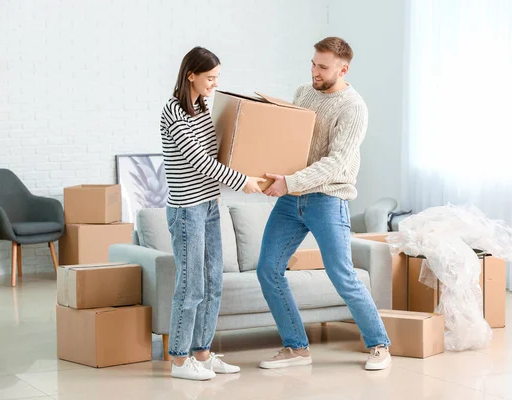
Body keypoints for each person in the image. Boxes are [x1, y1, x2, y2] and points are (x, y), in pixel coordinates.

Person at [257, 37, 392, 371]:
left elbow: (335, 163)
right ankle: (296, 347)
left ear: (343, 69)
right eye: (313, 63)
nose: (315, 71)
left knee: (342, 275)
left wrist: (290, 182)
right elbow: (292, 142)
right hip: (291, 200)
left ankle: (379, 345)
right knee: (268, 270)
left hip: (328, 199)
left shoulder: (353, 107)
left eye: (323, 67)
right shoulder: (304, 93)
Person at [160, 46, 265, 381]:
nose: (214, 84)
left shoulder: (203, 108)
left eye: (217, 77)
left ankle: (202, 354)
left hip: (208, 206)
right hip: (187, 210)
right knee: (191, 286)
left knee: (213, 282)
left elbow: (218, 152)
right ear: (191, 74)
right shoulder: (173, 113)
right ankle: (179, 360)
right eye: (210, 77)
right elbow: (201, 163)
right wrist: (242, 181)